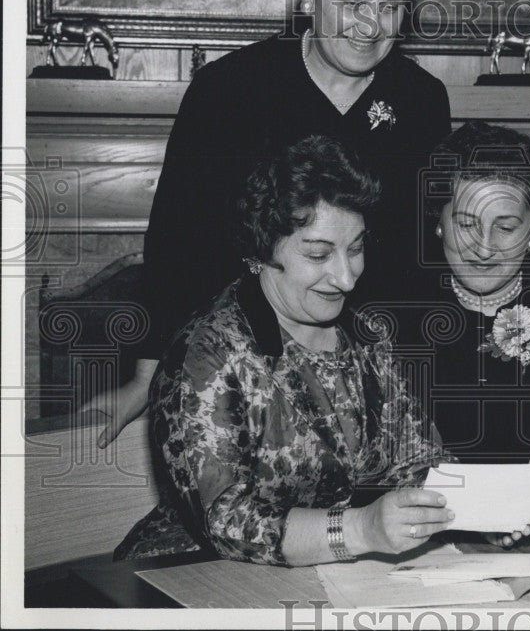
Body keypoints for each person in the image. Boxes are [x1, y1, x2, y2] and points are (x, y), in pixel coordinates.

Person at [84, 0, 450, 446]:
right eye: (352, 3)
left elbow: (420, 262)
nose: (371, 27)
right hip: (244, 372)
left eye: (391, 7)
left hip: (376, 380)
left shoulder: (422, 101)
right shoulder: (228, 92)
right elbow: (176, 241)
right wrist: (148, 370)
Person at [115, 136, 455, 565]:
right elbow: (225, 520)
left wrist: (481, 511)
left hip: (328, 572)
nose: (347, 279)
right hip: (190, 571)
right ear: (261, 248)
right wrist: (360, 529)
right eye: (318, 254)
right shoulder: (208, 353)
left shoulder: (366, 336)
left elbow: (419, 461)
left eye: (356, 248)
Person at [351, 121, 530, 464]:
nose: (483, 248)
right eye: (466, 224)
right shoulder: (385, 318)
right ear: (438, 221)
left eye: (505, 227)